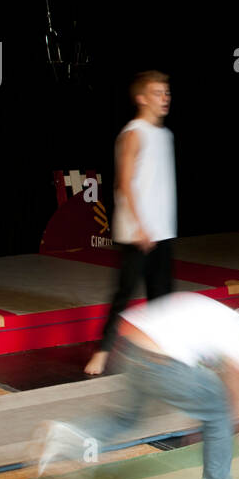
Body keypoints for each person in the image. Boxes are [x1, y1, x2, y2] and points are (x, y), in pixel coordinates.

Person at [38, 290, 239, 479]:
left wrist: (203, 424)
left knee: (127, 417)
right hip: (163, 360)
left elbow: (223, 388)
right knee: (220, 412)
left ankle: (70, 437)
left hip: (134, 348)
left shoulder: (229, 319)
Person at [85, 71, 177, 376]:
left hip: (163, 230)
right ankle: (102, 352)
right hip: (137, 231)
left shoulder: (165, 135)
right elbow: (123, 182)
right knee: (124, 294)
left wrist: (161, 226)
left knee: (161, 298)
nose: (164, 98)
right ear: (141, 98)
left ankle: (162, 353)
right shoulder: (134, 132)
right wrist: (139, 226)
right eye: (156, 93)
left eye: (166, 92)